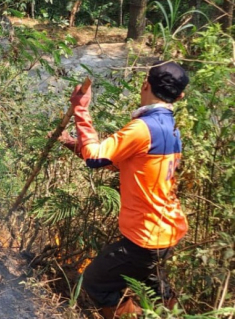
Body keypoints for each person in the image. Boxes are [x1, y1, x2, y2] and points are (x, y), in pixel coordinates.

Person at [59, 61, 190, 318]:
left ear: (145, 85)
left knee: (95, 283)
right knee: (154, 288)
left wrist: (81, 110)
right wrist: (73, 144)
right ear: (180, 96)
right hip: (166, 229)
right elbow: (118, 164)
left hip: (146, 235)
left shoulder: (143, 128)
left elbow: (96, 158)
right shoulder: (170, 129)